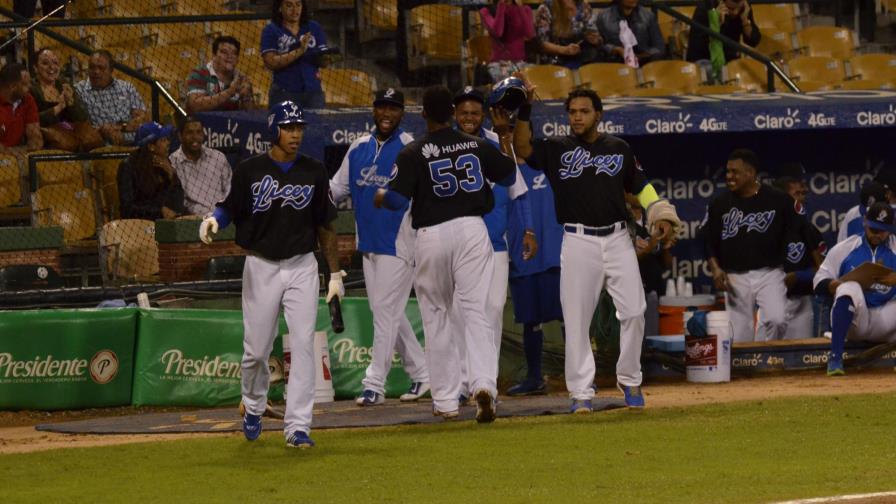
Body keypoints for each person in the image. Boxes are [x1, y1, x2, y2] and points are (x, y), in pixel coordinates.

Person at [498, 77, 681, 412]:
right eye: (572, 111)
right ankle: (581, 391)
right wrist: (525, 107)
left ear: (599, 114)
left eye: (584, 111)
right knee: (578, 317)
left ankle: (630, 380)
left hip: (616, 239)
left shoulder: (619, 148)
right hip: (578, 240)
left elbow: (641, 186)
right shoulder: (556, 149)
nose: (577, 117)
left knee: (635, 311)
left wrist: (660, 213)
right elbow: (522, 147)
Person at [374, 85, 526, 423]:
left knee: (436, 315)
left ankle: (445, 400)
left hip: (431, 235)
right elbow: (509, 175)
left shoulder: (413, 151)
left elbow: (398, 202)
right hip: (474, 230)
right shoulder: (477, 145)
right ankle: (484, 384)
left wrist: (382, 196)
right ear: (452, 114)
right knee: (476, 312)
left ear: (425, 114)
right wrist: (503, 140)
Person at [199, 100, 342, 448]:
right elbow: (230, 206)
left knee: (304, 345)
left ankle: (297, 427)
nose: (295, 134)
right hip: (261, 265)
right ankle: (253, 404)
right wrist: (215, 218)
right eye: (289, 127)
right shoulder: (250, 170)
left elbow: (326, 224)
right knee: (256, 352)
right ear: (274, 129)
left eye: (299, 128)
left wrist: (335, 273)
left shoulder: (314, 170)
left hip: (302, 266)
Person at [330, 88, 430, 406]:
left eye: (393, 108)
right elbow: (336, 188)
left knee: (385, 312)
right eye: (382, 107)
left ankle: (374, 383)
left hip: (399, 243)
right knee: (387, 313)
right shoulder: (358, 147)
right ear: (374, 110)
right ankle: (423, 373)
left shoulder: (409, 148)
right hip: (369, 243)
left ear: (402, 113)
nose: (387, 113)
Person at [448, 86, 535, 403]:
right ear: (455, 114)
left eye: (474, 112)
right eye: (463, 112)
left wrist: (528, 229)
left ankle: (486, 382)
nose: (469, 117)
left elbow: (518, 188)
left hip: (495, 243)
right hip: (457, 244)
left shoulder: (497, 143)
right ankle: (461, 383)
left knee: (493, 311)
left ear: (481, 114)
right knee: (458, 313)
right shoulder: (444, 146)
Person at [703, 149, 803, 343]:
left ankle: (766, 362)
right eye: (728, 171)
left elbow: (797, 231)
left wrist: (791, 267)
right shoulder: (720, 203)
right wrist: (716, 269)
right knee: (739, 335)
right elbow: (708, 240)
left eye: (735, 172)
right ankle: (746, 370)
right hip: (735, 276)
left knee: (777, 319)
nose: (729, 176)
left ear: (750, 173)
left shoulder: (778, 199)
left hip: (770, 272)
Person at [504, 132, 565, 397]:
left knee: (569, 318)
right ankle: (534, 377)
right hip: (522, 257)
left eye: (514, 138)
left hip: (556, 254)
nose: (511, 143)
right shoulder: (501, 172)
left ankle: (580, 375)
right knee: (531, 321)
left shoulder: (549, 164)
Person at [814, 201, 896, 376]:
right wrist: (834, 285)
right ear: (865, 222)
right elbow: (818, 281)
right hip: (857, 321)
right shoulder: (845, 248)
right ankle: (835, 359)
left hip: (887, 321)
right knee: (849, 288)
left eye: (882, 230)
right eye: (873, 229)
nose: (877, 234)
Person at [773, 164, 825, 340]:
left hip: (802, 302)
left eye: (804, 194)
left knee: (802, 355)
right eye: (797, 194)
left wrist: (798, 276)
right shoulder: (766, 231)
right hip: (771, 302)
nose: (802, 199)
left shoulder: (810, 231)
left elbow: (824, 271)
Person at [30, 48, 102, 152]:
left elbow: (81, 117)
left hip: (71, 132)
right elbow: (33, 120)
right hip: (48, 133)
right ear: (35, 68)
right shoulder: (31, 88)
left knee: (93, 141)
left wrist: (71, 101)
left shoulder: (64, 84)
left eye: (55, 63)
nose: (52, 67)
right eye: (45, 63)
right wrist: (59, 107)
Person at [261, 0, 328, 109]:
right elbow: (271, 62)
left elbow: (323, 59)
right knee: (284, 126)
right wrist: (299, 51)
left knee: (316, 126)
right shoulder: (271, 30)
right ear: (280, 7)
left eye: (298, 4)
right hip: (284, 93)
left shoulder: (314, 27)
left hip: (313, 92)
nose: (295, 10)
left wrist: (328, 59)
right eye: (289, 5)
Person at [75, 50, 147, 146]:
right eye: (92, 67)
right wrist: (104, 130)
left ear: (111, 70)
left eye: (101, 68)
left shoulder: (126, 88)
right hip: (100, 144)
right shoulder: (79, 90)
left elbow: (143, 118)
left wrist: (119, 127)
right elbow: (81, 127)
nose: (96, 72)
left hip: (133, 141)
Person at [117, 122, 185, 220]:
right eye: (163, 140)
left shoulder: (165, 164)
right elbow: (127, 209)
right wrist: (159, 212)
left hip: (165, 223)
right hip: (139, 225)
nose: (168, 143)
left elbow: (178, 204)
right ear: (151, 146)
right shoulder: (128, 167)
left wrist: (172, 176)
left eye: (167, 139)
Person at [629, 194, 674, 338]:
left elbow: (667, 264)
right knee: (633, 340)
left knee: (653, 341)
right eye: (632, 190)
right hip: (630, 291)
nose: (637, 194)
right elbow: (623, 260)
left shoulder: (653, 219)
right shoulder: (621, 221)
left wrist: (666, 245)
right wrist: (649, 247)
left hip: (653, 290)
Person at [169, 116, 232, 216]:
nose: (195, 137)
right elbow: (181, 200)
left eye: (199, 132)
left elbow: (229, 189)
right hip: (193, 221)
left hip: (222, 217)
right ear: (180, 136)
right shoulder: (174, 161)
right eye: (190, 133)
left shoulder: (218, 157)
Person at [686, 0, 761, 82]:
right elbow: (698, 45)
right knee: (714, 71)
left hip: (730, 60)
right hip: (705, 59)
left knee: (752, 71)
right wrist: (716, 22)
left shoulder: (744, 8)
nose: (735, 13)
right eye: (730, 8)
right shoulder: (706, 7)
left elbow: (753, 41)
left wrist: (745, 21)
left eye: (738, 9)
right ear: (721, 2)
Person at [186, 35, 256, 114]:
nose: (230, 56)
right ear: (214, 55)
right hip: (204, 124)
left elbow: (251, 114)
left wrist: (246, 97)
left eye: (234, 53)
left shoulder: (241, 79)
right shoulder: (199, 74)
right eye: (224, 52)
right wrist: (230, 92)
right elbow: (195, 106)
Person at [533, 0, 603, 69]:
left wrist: (594, 39)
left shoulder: (584, 6)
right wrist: (565, 50)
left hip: (584, 58)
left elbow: (595, 34)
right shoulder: (545, 8)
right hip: (555, 62)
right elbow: (542, 44)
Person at [596, 0, 666, 67]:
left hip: (644, 63)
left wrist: (640, 56)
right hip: (614, 63)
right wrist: (616, 49)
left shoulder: (648, 16)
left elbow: (659, 47)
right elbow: (600, 44)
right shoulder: (603, 16)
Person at [479, 0, 535, 82]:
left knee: (538, 77)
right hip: (499, 64)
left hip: (520, 63)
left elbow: (529, 34)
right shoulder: (486, 11)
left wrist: (520, 8)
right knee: (510, 82)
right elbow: (498, 32)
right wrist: (501, 5)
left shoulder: (525, 9)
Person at [0, 63, 42, 152]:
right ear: (12, 86)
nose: (30, 87)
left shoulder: (28, 100)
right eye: (25, 84)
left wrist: (13, 151)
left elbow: (36, 141)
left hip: (13, 158)